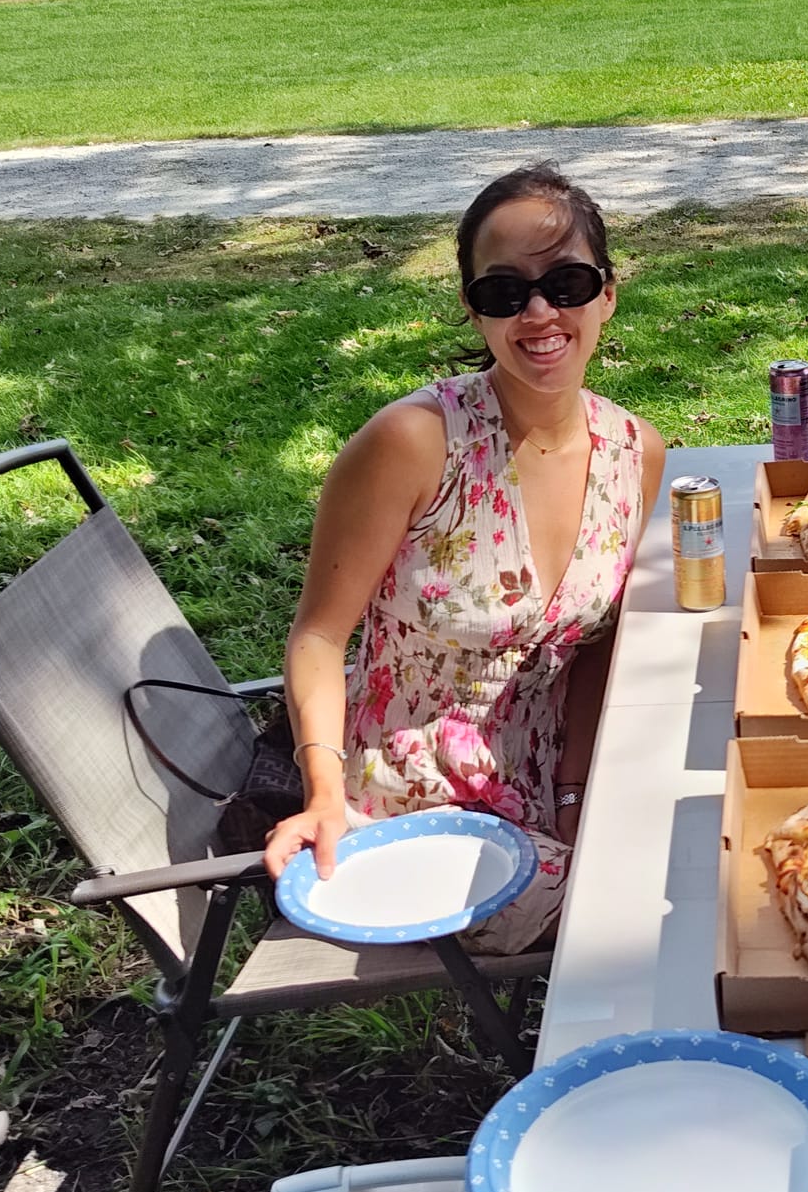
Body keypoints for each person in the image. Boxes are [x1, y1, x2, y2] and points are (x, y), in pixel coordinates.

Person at [264, 165, 664, 950]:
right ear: (473, 311)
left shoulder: (635, 453)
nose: (540, 312)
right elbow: (317, 636)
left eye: (567, 281)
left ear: (608, 293)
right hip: (411, 807)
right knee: (656, 913)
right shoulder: (414, 443)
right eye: (504, 293)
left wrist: (581, 798)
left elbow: (597, 648)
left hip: (550, 784)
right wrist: (320, 792)